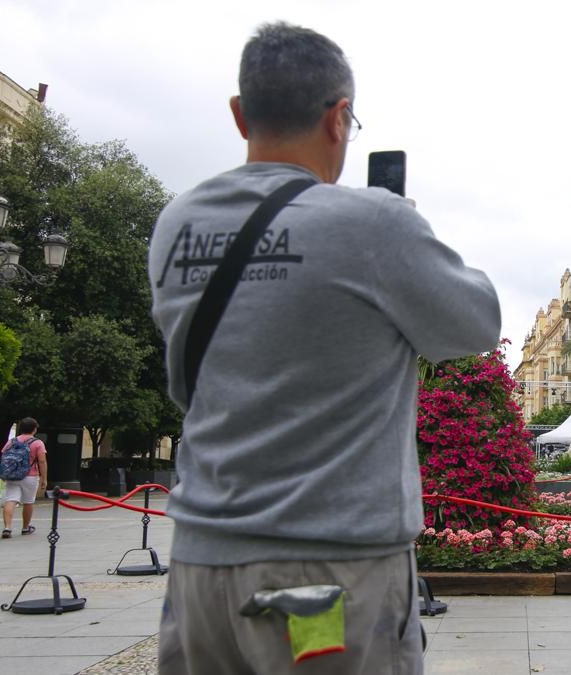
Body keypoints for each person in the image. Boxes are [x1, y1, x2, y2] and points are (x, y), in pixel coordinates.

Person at [147, 22, 499, 675]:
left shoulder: (177, 226)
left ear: (239, 113)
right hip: (329, 577)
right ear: (339, 119)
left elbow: (189, 384)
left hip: (200, 571)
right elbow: (477, 322)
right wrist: (407, 232)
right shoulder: (372, 224)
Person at [0, 417, 47, 539]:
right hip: (30, 476)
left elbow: (4, 456)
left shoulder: (12, 441)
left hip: (12, 475)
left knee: (11, 500)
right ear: (34, 429)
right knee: (28, 501)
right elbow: (42, 461)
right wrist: (44, 478)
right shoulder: (37, 443)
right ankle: (25, 528)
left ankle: (7, 528)